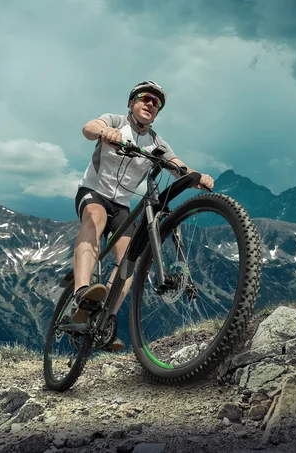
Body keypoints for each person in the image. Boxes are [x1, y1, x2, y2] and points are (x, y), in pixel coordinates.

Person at [71, 80, 215, 351]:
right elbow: (89, 128)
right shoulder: (115, 120)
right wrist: (105, 132)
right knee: (95, 219)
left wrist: (198, 178)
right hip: (93, 192)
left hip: (122, 206)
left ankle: (103, 321)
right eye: (145, 98)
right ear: (131, 102)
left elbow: (178, 166)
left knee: (129, 261)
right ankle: (82, 293)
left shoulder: (157, 142)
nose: (150, 104)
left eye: (156, 103)